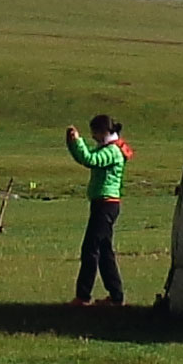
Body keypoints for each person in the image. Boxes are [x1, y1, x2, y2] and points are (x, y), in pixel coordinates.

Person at [64, 114, 130, 306]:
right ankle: (116, 296)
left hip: (105, 204)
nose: (93, 137)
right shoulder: (112, 149)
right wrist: (74, 144)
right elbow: (87, 159)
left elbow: (90, 159)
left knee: (90, 249)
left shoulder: (112, 152)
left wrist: (77, 141)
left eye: (94, 132)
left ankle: (83, 295)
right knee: (104, 250)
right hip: (105, 204)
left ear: (104, 131)